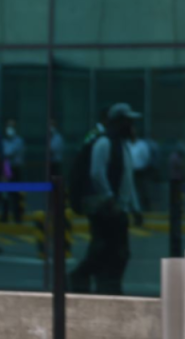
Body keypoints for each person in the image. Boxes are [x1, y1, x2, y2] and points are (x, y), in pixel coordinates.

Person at [70, 103, 142, 295]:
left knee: (116, 253)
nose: (132, 126)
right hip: (105, 208)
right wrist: (109, 198)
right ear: (118, 122)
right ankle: (83, 278)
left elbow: (128, 180)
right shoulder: (104, 143)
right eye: (128, 122)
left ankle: (108, 285)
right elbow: (96, 173)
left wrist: (135, 208)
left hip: (119, 209)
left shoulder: (123, 146)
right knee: (105, 250)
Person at [2, 118, 25, 223]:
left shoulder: (18, 141)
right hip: (6, 168)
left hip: (15, 168)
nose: (9, 128)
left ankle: (17, 217)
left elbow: (9, 153)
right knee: (5, 193)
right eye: (8, 126)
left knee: (16, 194)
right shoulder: (3, 141)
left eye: (12, 126)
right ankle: (5, 216)